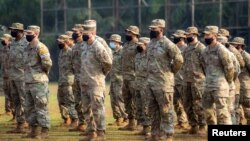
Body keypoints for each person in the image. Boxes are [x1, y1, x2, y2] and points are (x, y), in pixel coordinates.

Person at [147, 19, 183, 141]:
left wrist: (171, 71)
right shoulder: (151, 43)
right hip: (151, 82)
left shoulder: (168, 44)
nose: (151, 30)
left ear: (161, 29)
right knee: (153, 110)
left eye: (154, 29)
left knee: (166, 110)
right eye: (151, 28)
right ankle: (155, 134)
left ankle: (168, 135)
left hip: (163, 83)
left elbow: (179, 59)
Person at [79, 21, 112, 141]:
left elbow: (108, 63)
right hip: (85, 82)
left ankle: (101, 134)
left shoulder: (98, 46)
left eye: (86, 32)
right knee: (87, 109)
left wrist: (101, 74)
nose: (83, 34)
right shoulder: (84, 45)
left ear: (92, 32)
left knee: (97, 108)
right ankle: (91, 132)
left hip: (95, 82)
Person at [22, 25, 52, 139]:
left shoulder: (41, 47)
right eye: (26, 33)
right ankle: (33, 130)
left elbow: (47, 63)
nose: (27, 35)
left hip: (39, 82)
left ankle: (44, 131)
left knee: (41, 106)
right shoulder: (27, 47)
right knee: (29, 107)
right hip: (28, 81)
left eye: (30, 33)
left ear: (36, 34)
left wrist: (42, 73)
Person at [201, 25, 234, 125]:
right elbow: (203, 66)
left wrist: (227, 81)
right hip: (207, 86)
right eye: (205, 35)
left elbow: (229, 68)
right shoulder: (205, 51)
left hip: (220, 86)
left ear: (215, 35)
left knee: (222, 114)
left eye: (208, 35)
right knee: (208, 112)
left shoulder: (222, 50)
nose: (206, 37)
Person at [182, 26, 206, 134]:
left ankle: (202, 126)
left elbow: (206, 65)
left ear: (195, 35)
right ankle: (193, 125)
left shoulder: (201, 48)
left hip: (198, 81)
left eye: (189, 35)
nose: (187, 37)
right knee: (187, 104)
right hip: (186, 80)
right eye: (186, 35)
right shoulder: (186, 49)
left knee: (199, 104)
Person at [217, 29, 245, 124]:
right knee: (221, 109)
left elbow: (241, 64)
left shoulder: (232, 50)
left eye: (222, 37)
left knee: (232, 108)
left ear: (227, 38)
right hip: (219, 84)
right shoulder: (215, 48)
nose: (220, 39)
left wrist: (232, 75)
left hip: (232, 84)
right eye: (218, 37)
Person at [7, 23, 28, 134]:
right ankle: (20, 123)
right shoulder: (13, 43)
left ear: (20, 31)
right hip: (13, 76)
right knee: (15, 101)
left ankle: (26, 122)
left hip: (23, 76)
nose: (12, 32)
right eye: (11, 30)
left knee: (24, 100)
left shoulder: (27, 43)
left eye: (14, 30)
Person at [119, 25, 140, 131]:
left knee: (138, 101)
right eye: (127, 32)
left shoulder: (139, 45)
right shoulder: (126, 45)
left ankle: (141, 123)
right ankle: (131, 122)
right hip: (125, 77)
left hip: (134, 77)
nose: (127, 34)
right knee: (127, 100)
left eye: (129, 33)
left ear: (135, 34)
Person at [57, 34, 78, 127]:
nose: (58, 43)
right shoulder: (61, 52)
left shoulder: (71, 52)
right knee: (61, 101)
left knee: (70, 101)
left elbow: (75, 66)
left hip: (69, 81)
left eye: (60, 42)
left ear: (65, 42)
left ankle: (75, 119)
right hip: (61, 80)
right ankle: (66, 119)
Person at [69, 24, 86, 132]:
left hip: (85, 78)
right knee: (77, 102)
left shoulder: (86, 45)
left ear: (82, 32)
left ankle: (90, 125)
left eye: (76, 31)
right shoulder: (74, 46)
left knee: (86, 102)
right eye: (73, 31)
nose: (74, 33)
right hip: (77, 77)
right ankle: (81, 123)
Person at [108, 34, 128, 126]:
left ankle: (126, 118)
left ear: (118, 43)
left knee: (120, 99)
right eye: (111, 41)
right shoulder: (111, 52)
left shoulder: (123, 52)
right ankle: (118, 118)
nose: (111, 43)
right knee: (113, 100)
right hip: (113, 79)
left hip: (120, 80)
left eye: (113, 41)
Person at [171, 30, 189, 129]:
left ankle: (191, 122)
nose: (174, 39)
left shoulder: (186, 49)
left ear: (182, 38)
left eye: (176, 37)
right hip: (174, 79)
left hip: (183, 80)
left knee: (186, 102)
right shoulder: (174, 49)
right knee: (176, 103)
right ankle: (181, 121)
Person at [230, 37, 250, 124]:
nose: (232, 46)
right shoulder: (232, 55)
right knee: (236, 107)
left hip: (245, 86)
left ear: (239, 45)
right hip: (236, 85)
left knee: (247, 107)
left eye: (234, 44)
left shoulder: (246, 56)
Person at [134, 37, 151, 136]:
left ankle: (149, 127)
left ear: (146, 45)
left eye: (141, 44)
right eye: (138, 44)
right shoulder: (137, 56)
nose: (138, 46)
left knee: (146, 106)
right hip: (138, 83)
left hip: (146, 84)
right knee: (139, 106)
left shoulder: (150, 57)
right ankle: (143, 127)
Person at [0, 34, 15, 119]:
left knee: (13, 94)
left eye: (4, 39)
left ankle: (14, 114)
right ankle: (8, 110)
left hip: (12, 75)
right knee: (7, 93)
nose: (2, 40)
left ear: (9, 40)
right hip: (5, 75)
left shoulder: (12, 49)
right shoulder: (2, 50)